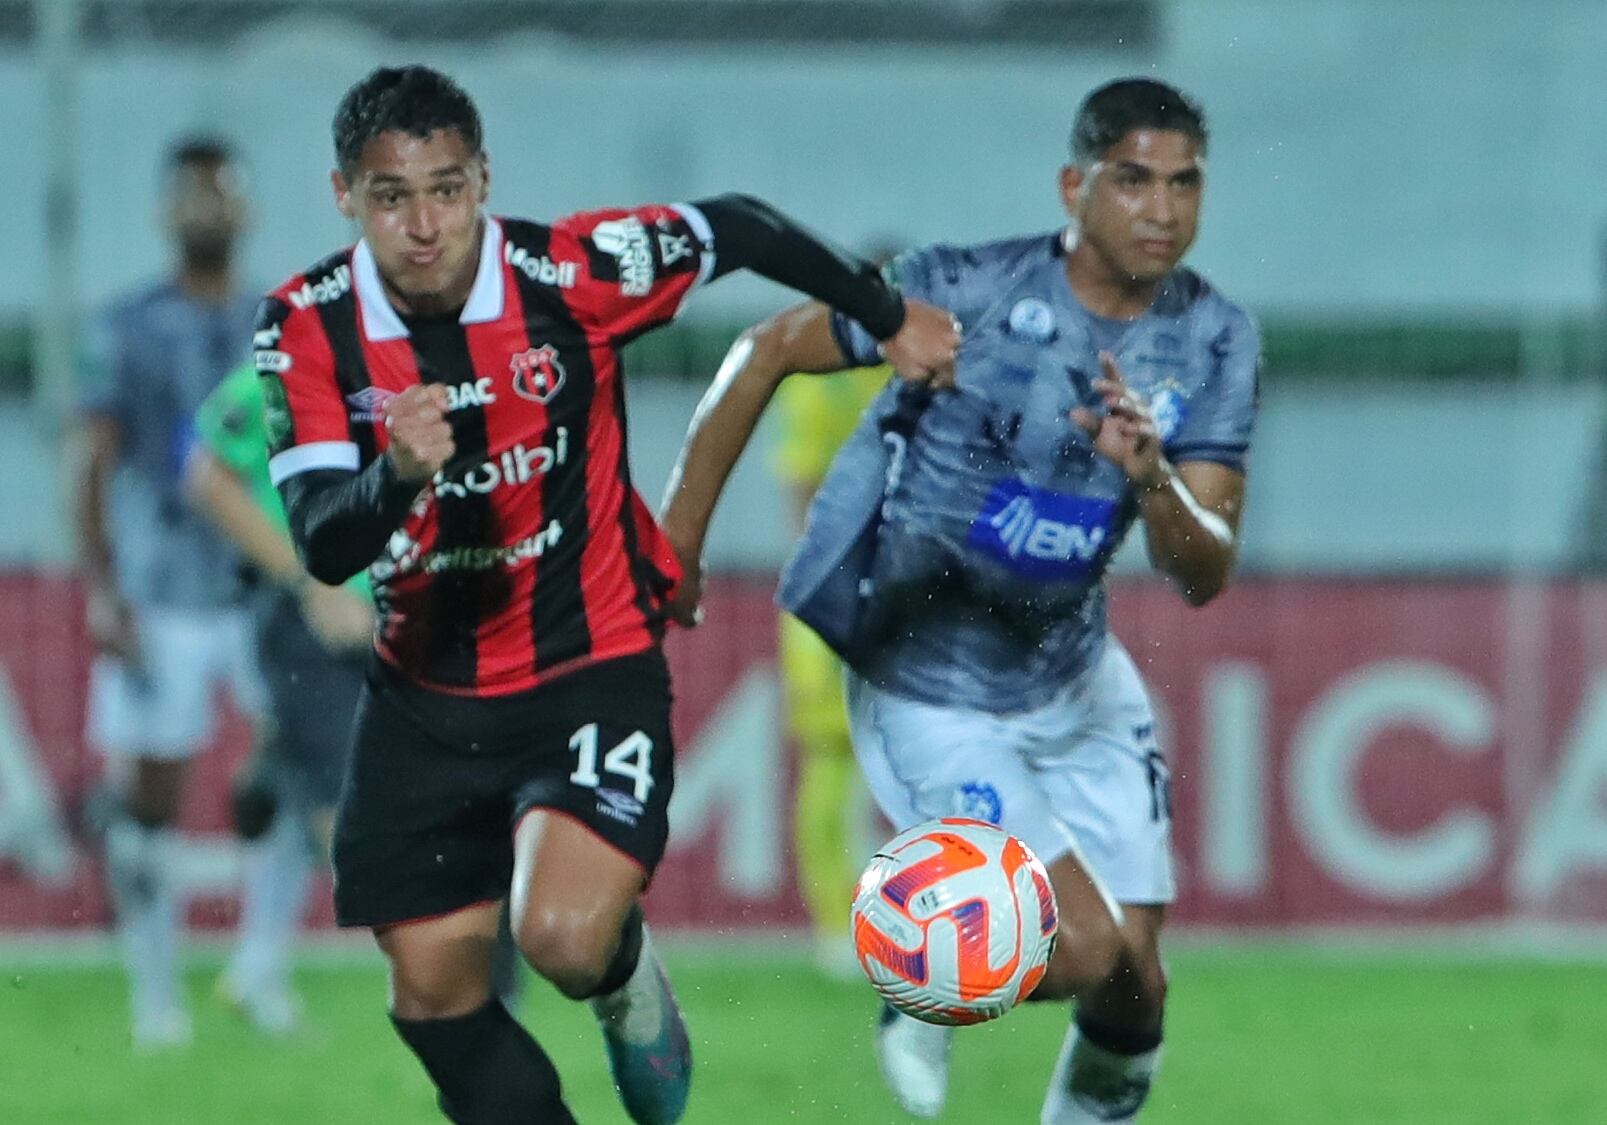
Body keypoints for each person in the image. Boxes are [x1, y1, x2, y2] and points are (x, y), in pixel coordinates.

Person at [256, 65, 958, 1125]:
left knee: (564, 940)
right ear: (344, 196)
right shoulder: (305, 325)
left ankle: (625, 976)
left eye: (446, 189)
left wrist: (884, 312)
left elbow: (737, 226)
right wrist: (393, 474)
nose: (423, 225)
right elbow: (319, 540)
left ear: (483, 180)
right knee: (435, 1001)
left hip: (588, 666)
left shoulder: (569, 270)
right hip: (422, 696)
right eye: (391, 197)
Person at [659, 77, 1259, 1123]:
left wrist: (1152, 477)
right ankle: (921, 971)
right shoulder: (964, 291)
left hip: (1074, 679)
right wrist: (677, 543)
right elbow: (764, 350)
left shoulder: (1213, 339)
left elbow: (1202, 571)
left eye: (1183, 183)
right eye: (1131, 181)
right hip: (925, 680)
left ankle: (966, 980)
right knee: (1076, 947)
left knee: (1136, 984)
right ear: (1074, 186)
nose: (1161, 208)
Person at [185, 363, 524, 1029]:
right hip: (312, 631)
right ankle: (463, 1007)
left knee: (479, 803)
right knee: (360, 829)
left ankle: (490, 1011)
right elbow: (206, 473)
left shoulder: (472, 358)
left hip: (427, 622)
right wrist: (311, 580)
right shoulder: (297, 359)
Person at [74, 136, 269, 1050]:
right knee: (151, 797)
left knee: (289, 774)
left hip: (263, 592)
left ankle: (261, 971)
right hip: (159, 592)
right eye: (188, 193)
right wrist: (103, 589)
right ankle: (155, 997)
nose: (204, 208)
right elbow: (91, 463)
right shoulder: (126, 324)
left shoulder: (279, 323)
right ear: (164, 211)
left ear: (245, 209)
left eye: (219, 192)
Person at [771, 305, 892, 979]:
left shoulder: (928, 380)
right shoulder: (818, 383)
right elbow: (801, 493)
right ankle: (834, 928)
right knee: (830, 756)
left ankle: (948, 916)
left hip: (912, 592)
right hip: (833, 593)